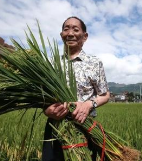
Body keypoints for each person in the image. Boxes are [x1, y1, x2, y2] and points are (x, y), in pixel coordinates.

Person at [42, 16, 110, 161]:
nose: (70, 33)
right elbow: (42, 96)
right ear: (62, 35)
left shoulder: (94, 63)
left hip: (84, 125)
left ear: (85, 36)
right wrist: (46, 110)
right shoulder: (52, 64)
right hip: (55, 126)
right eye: (66, 29)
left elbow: (105, 95)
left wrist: (88, 104)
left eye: (76, 29)